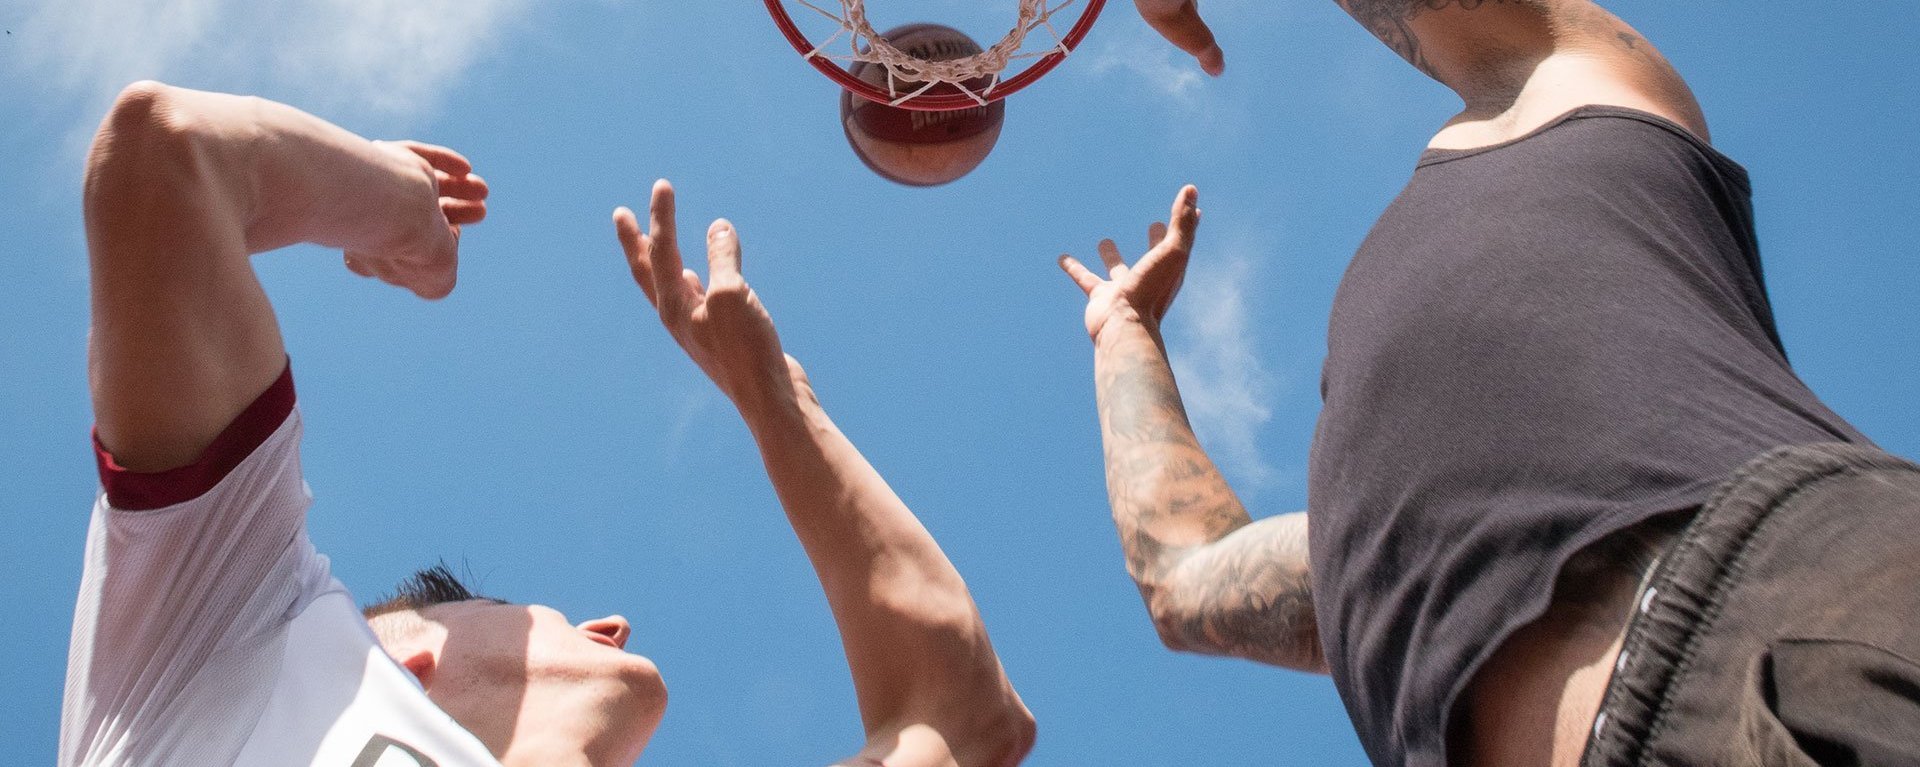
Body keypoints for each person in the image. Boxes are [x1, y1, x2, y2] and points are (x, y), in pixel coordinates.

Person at [63, 80, 1033, 767]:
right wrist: (397, 205)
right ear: (407, 657)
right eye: (551, 621)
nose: (609, 621)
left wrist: (775, 399)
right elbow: (166, 154)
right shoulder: (216, 660)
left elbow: (968, 722)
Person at [1068, 2, 1920, 766]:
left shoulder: (1575, 90)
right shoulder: (1379, 560)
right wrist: (1123, 333)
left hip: (1813, 597)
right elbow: (1185, 578)